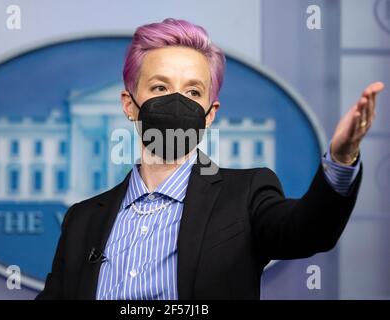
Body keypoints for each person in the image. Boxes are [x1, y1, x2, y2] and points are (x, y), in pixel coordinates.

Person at [36, 18, 385, 300]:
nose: (176, 100)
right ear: (130, 104)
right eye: (159, 87)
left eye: (192, 91)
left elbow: (309, 232)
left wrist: (341, 159)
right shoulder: (81, 220)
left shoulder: (246, 194)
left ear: (210, 113)